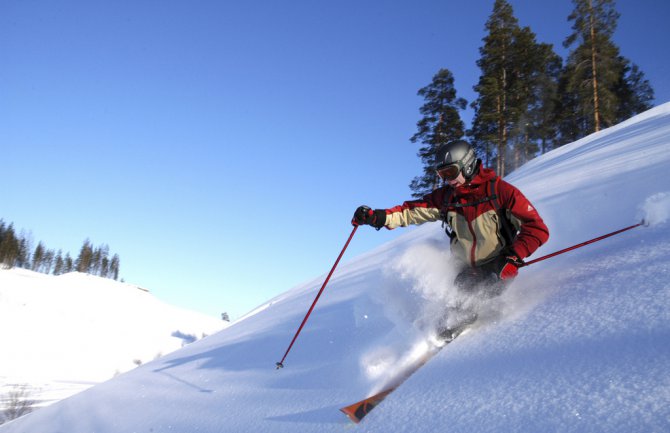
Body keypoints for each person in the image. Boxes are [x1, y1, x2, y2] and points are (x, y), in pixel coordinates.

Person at [352, 140, 549, 342]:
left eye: (451, 173)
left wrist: (512, 258)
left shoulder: (500, 192)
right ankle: (437, 340)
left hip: (498, 266)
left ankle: (472, 340)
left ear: (468, 164)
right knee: (452, 309)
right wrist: (377, 217)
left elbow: (537, 229)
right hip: (466, 271)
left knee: (469, 306)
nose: (448, 180)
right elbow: (410, 212)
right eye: (442, 175)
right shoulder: (447, 198)